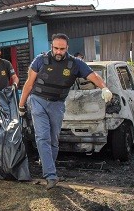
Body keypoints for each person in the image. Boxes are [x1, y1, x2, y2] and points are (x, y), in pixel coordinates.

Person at [18, 33, 113, 190]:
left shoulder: (75, 64)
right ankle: (50, 175)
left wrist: (104, 88)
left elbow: (93, 75)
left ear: (67, 48)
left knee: (54, 139)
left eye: (62, 49)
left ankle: (47, 162)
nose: (58, 52)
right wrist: (21, 105)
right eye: (56, 48)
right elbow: (29, 84)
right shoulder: (40, 60)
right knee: (42, 137)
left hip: (57, 104)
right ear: (51, 47)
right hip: (38, 101)